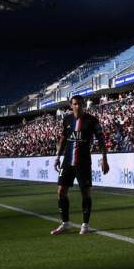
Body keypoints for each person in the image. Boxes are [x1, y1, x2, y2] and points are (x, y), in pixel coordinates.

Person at [51, 95, 109, 236]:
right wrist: (57, 157)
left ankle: (85, 224)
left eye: (79, 104)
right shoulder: (67, 120)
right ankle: (65, 223)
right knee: (61, 192)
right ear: (71, 106)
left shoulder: (92, 120)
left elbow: (101, 140)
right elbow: (64, 139)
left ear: (83, 105)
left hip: (83, 162)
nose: (77, 106)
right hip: (67, 162)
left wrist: (104, 159)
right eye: (75, 104)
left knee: (85, 193)